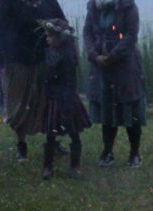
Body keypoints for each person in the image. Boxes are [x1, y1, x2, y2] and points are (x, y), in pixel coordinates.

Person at [0, 0, 66, 162]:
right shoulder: (10, 4)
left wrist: (58, 35)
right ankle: (21, 145)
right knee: (18, 103)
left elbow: (62, 23)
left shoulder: (49, 2)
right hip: (17, 58)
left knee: (48, 103)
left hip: (43, 59)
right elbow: (1, 30)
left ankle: (52, 141)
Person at [84, 0, 147, 168]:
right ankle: (107, 151)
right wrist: (94, 55)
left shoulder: (128, 6)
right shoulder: (93, 6)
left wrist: (112, 56)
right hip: (100, 67)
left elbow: (131, 36)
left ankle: (134, 153)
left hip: (125, 66)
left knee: (130, 109)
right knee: (107, 110)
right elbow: (87, 33)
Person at [38, 18, 90, 180]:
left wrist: (66, 103)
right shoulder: (50, 52)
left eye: (50, 36)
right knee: (51, 134)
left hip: (66, 99)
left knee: (74, 133)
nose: (47, 38)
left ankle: (75, 167)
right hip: (53, 98)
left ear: (59, 39)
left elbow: (69, 82)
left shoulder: (68, 58)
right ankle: (47, 167)